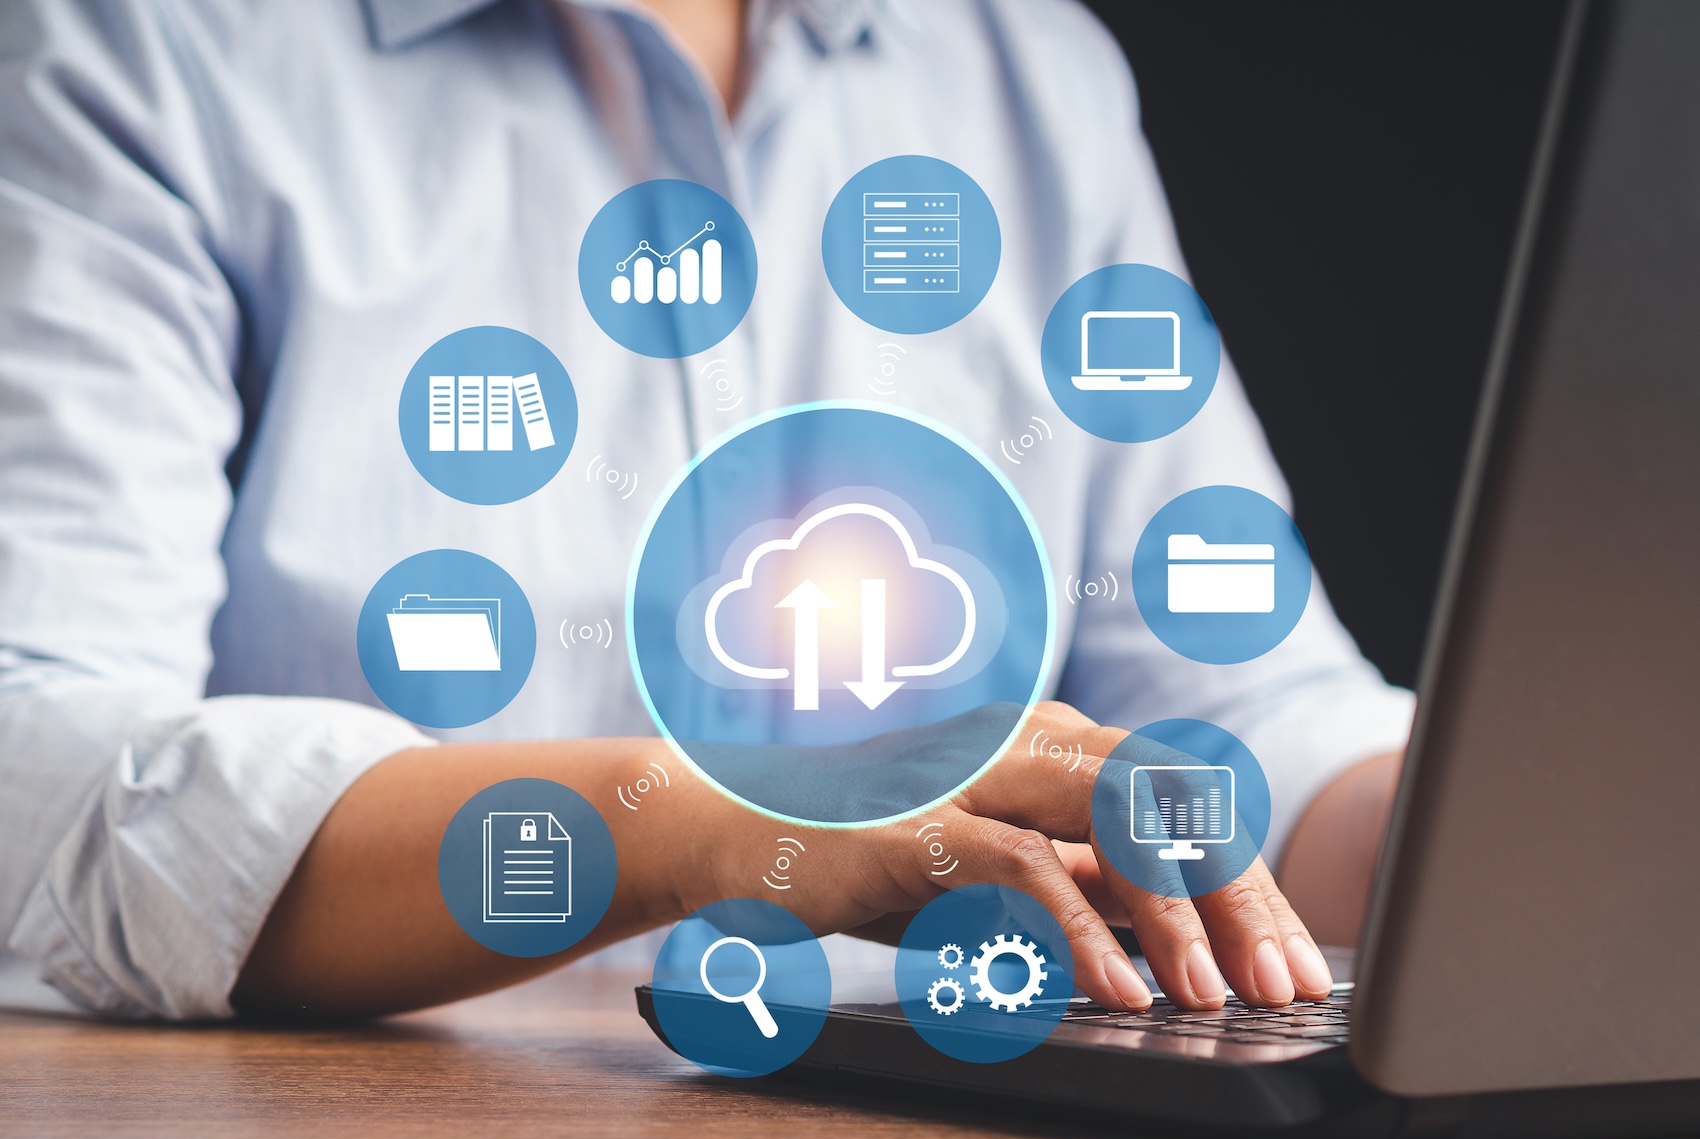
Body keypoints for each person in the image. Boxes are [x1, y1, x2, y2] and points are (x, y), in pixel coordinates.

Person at [0, 0, 1411, 1023]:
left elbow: (1247, 718)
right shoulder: (142, 43)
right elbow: (48, 765)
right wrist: (717, 821)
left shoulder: (1025, 69)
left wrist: (1500, 814)